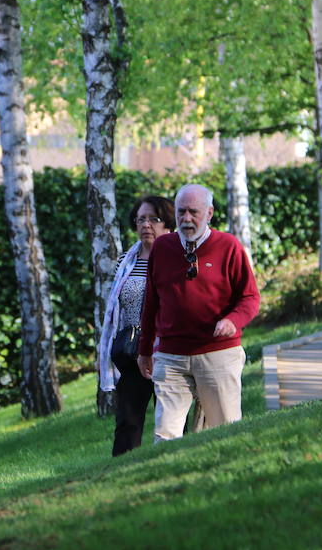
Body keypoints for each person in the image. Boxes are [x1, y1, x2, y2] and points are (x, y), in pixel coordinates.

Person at [137, 183, 260, 442]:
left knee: (224, 431)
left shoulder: (228, 246)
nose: (186, 219)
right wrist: (145, 350)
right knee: (165, 434)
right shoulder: (162, 247)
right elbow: (151, 302)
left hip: (218, 352)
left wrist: (232, 321)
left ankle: (226, 475)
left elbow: (250, 298)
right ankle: (166, 479)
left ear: (209, 213)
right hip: (171, 356)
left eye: (194, 212)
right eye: (181, 212)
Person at [98, 195, 175, 456]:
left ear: (168, 225)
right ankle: (120, 473)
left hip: (167, 351)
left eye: (154, 219)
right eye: (140, 219)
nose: (146, 225)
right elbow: (116, 308)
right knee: (127, 422)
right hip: (132, 352)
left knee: (172, 419)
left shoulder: (177, 259)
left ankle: (173, 464)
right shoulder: (125, 262)